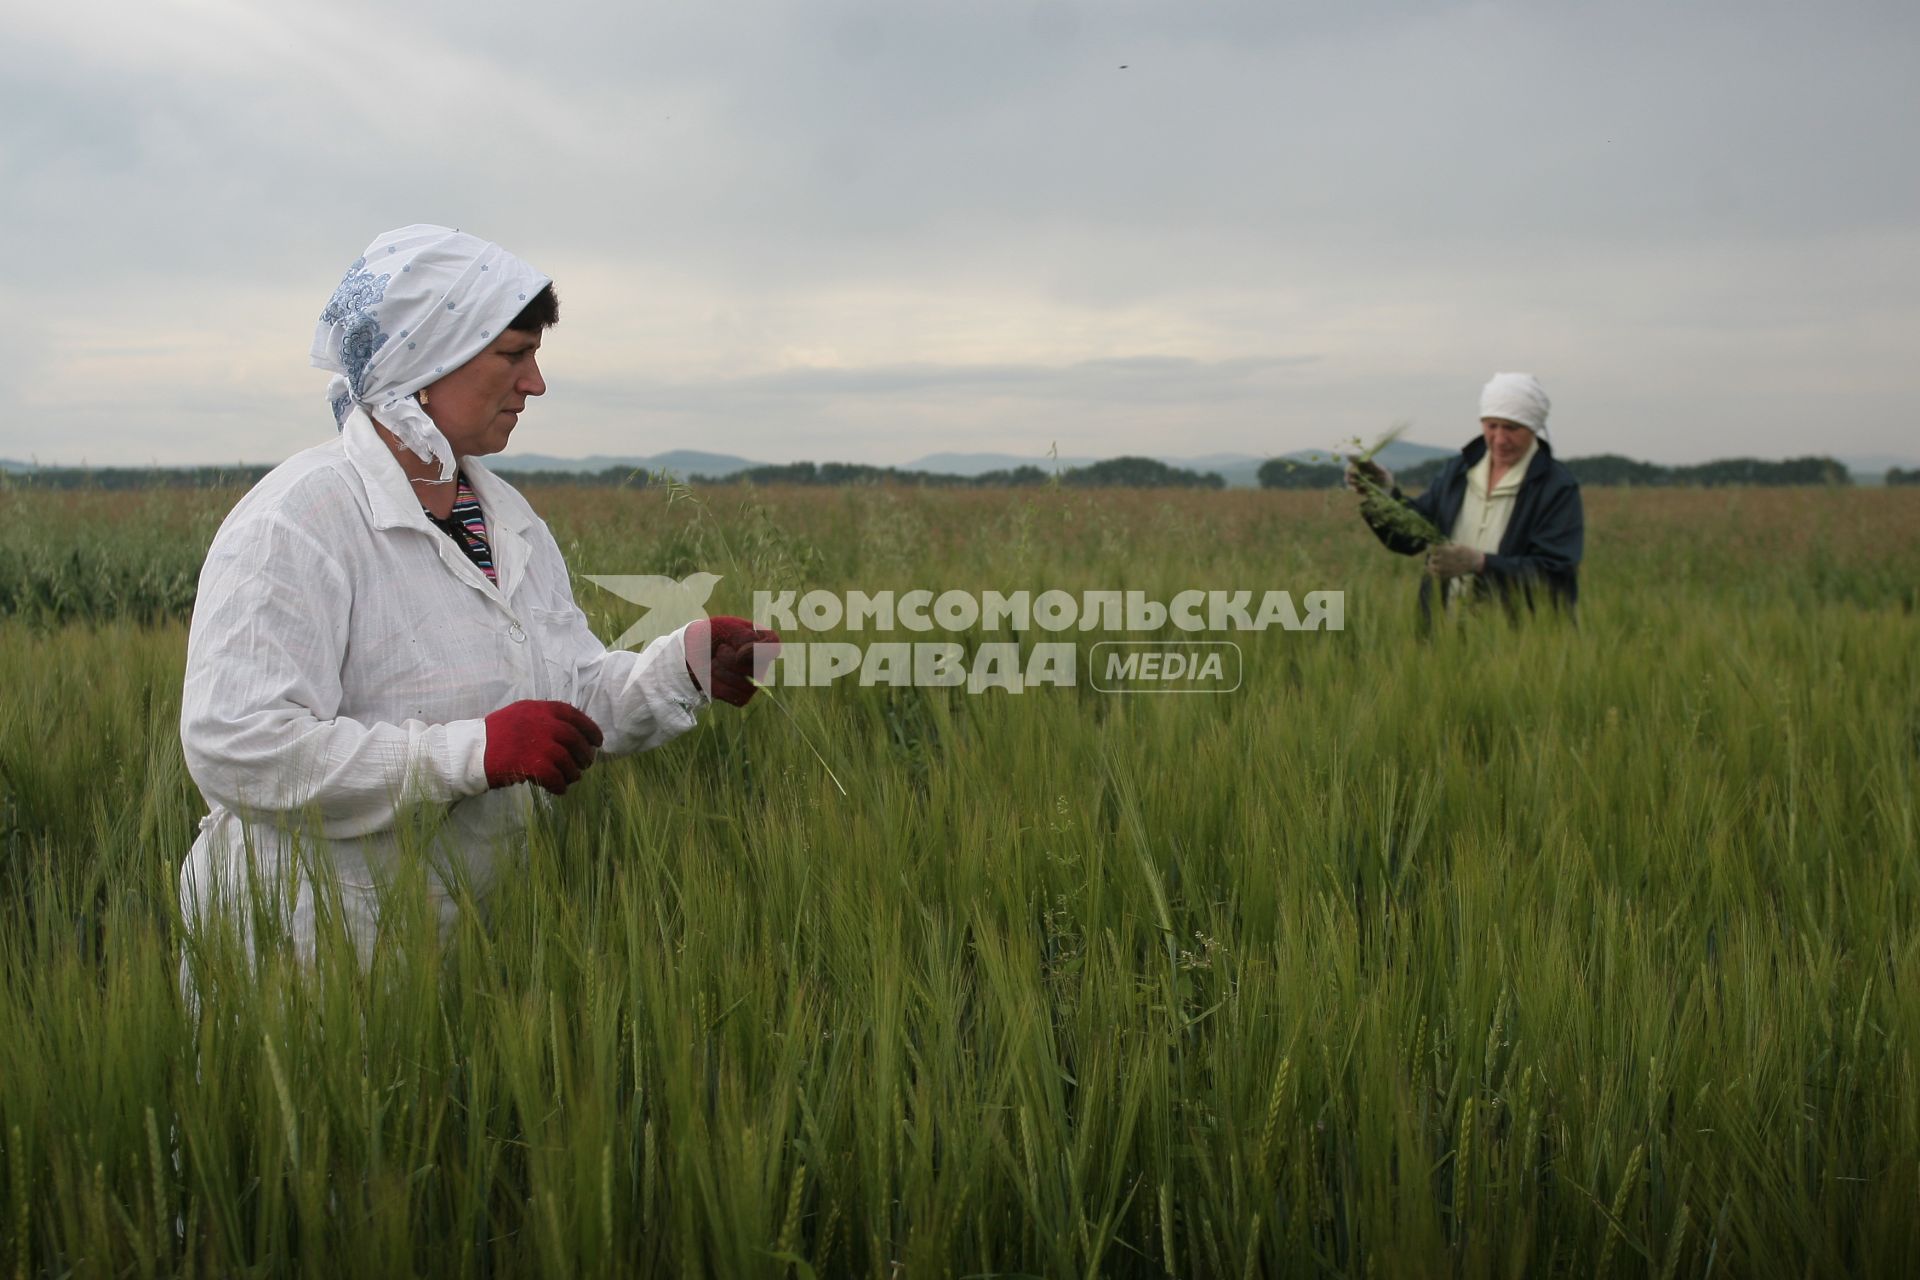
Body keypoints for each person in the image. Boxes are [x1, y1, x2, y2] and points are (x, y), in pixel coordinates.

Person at [178, 224, 779, 969]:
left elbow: (562, 695)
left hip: (471, 943)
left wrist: (681, 668)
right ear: (425, 360)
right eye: (513, 354)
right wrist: (472, 753)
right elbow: (237, 747)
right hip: (310, 955)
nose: (535, 383)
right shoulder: (299, 521)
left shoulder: (504, 518)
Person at [1347, 372, 1583, 618]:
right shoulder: (1460, 470)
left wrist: (1480, 564)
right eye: (1492, 426)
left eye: (1512, 428)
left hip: (1518, 642)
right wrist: (1382, 494)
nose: (1500, 439)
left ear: (1533, 427)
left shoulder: (1556, 487)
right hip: (1444, 632)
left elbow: (1556, 576)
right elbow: (1412, 537)